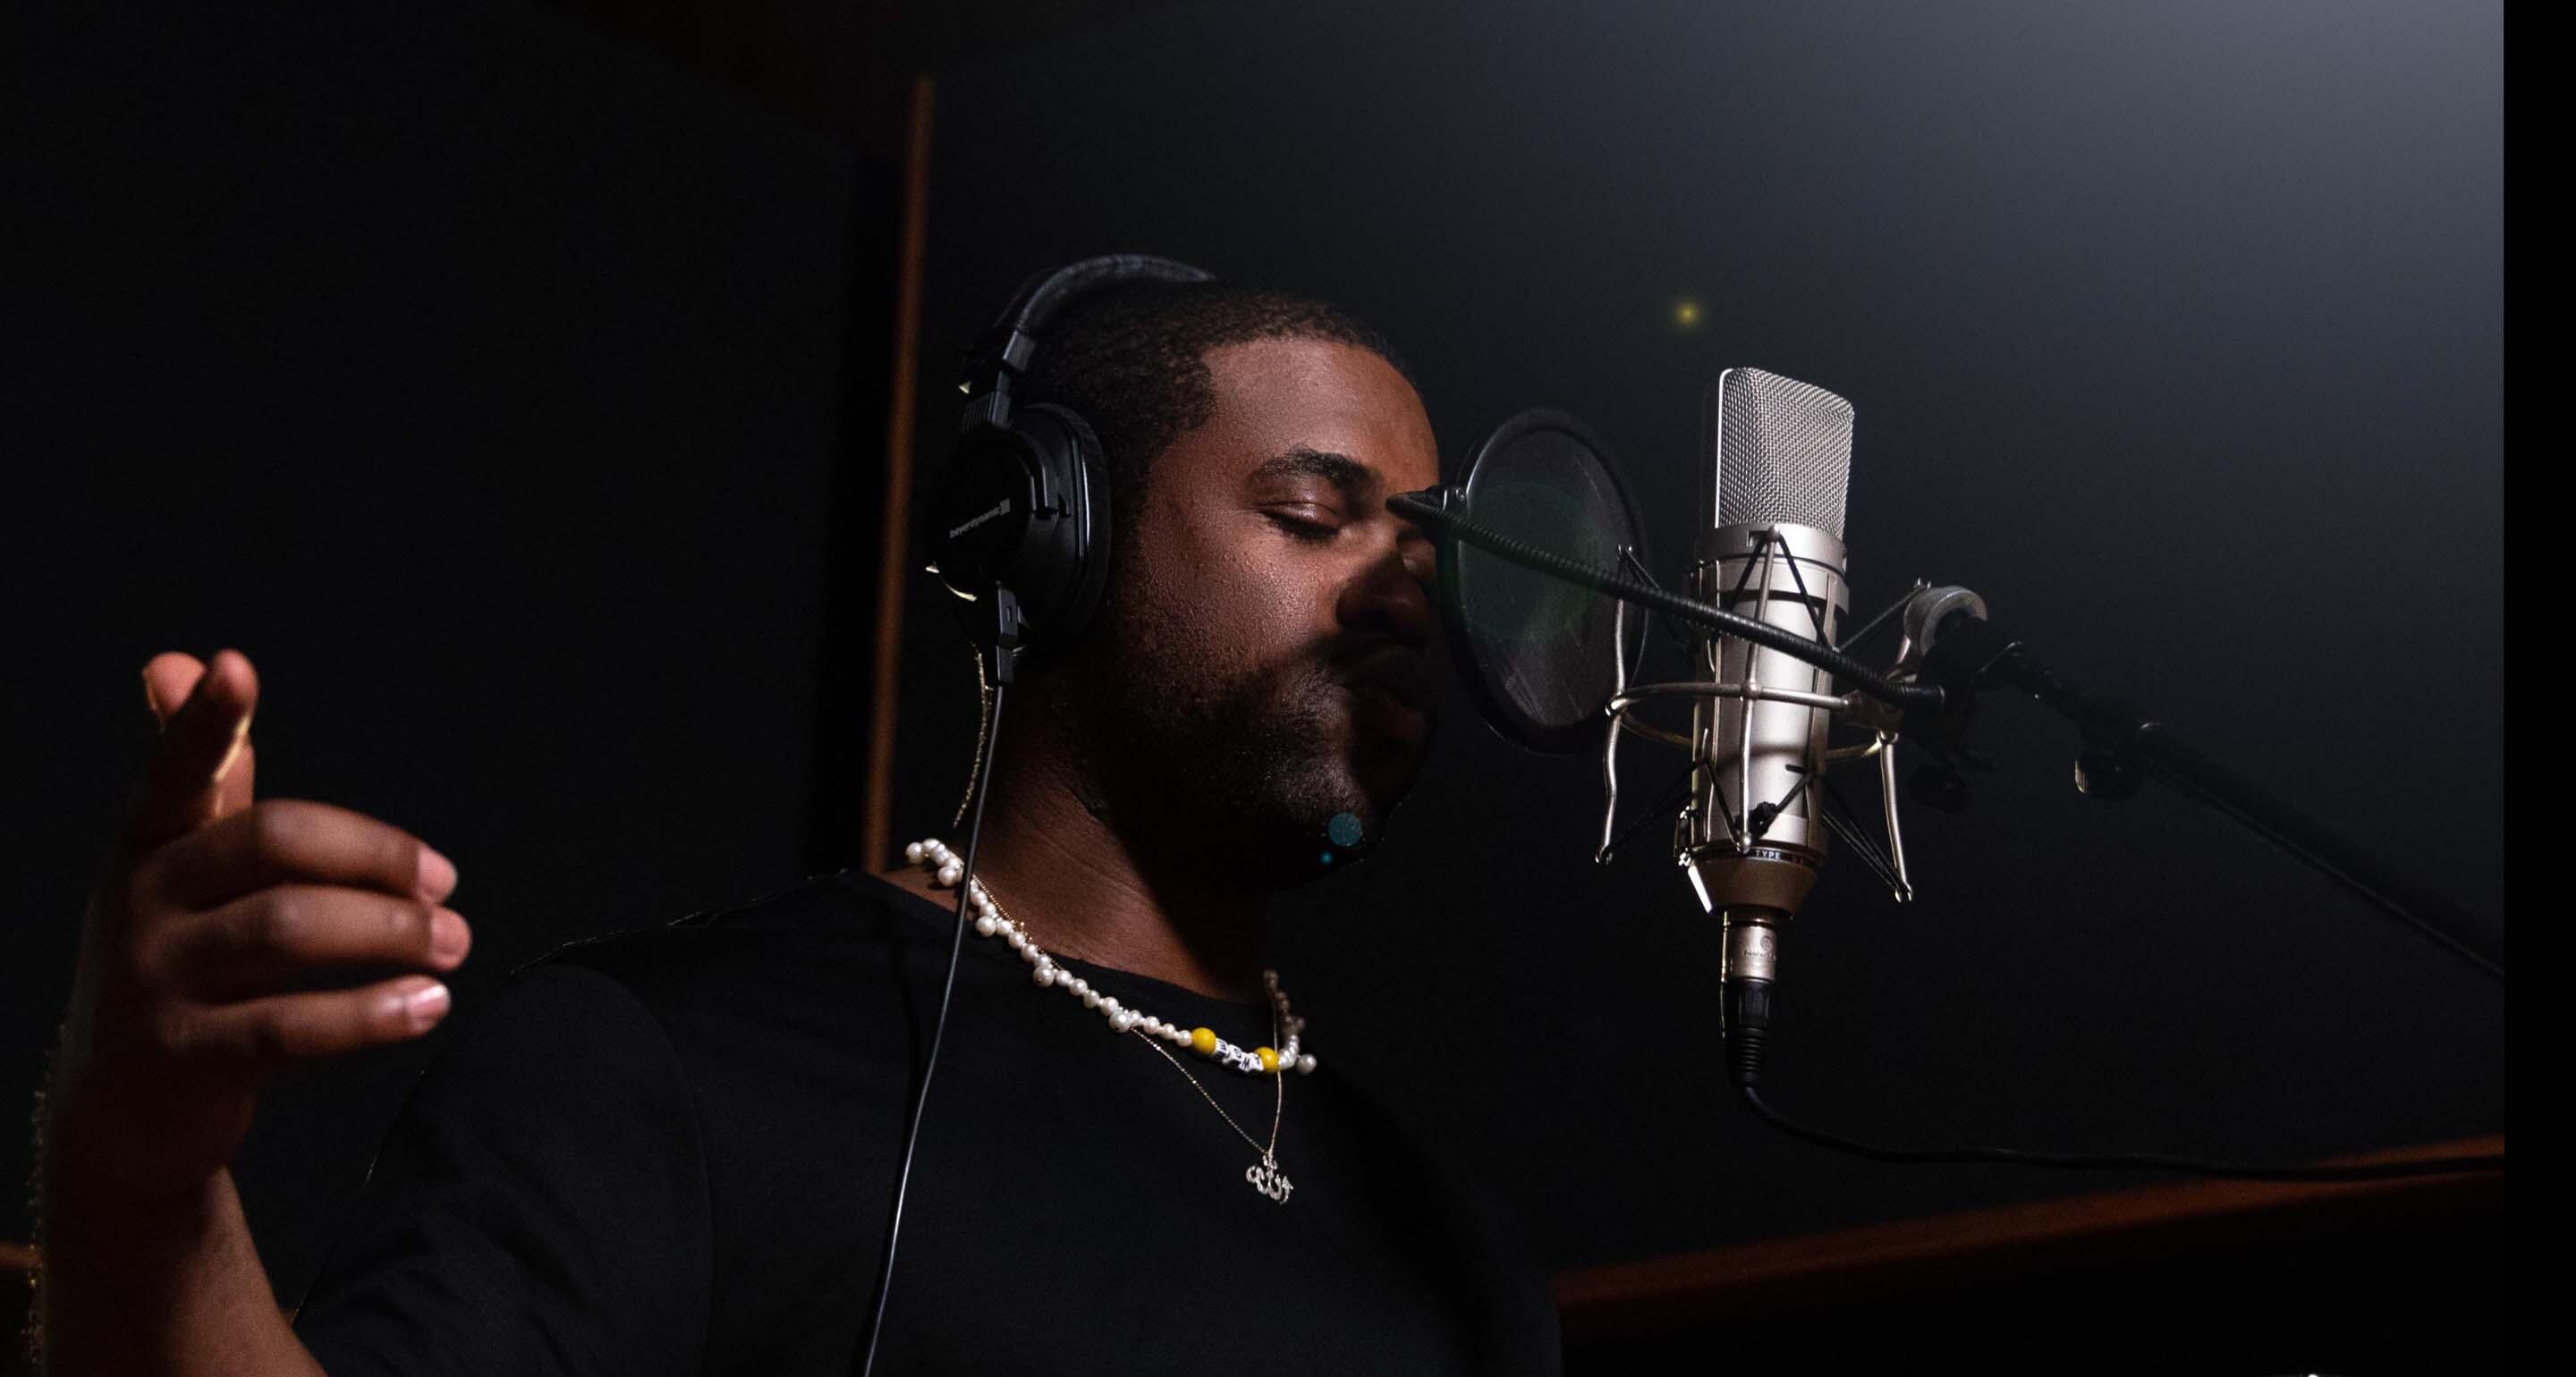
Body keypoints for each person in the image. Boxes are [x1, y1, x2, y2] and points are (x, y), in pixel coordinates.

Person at [35, 266, 1563, 1373]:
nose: (1398, 598)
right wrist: (139, 1183)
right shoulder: (661, 1067)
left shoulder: (1459, 1251)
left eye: (1428, 561)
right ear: (1047, 538)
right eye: (1313, 516)